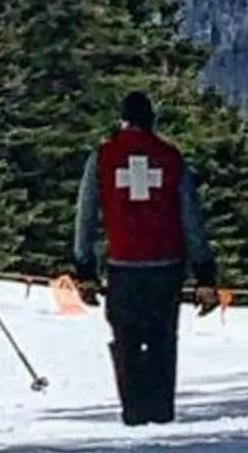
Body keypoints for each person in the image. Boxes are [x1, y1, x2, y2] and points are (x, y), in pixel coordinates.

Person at [70, 91, 219, 426]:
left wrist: (84, 268)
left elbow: (86, 216)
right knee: (163, 339)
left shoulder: (103, 157)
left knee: (126, 340)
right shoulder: (170, 157)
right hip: (167, 265)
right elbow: (191, 219)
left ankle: (134, 411)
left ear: (122, 120)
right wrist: (205, 273)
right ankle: (161, 410)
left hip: (123, 265)